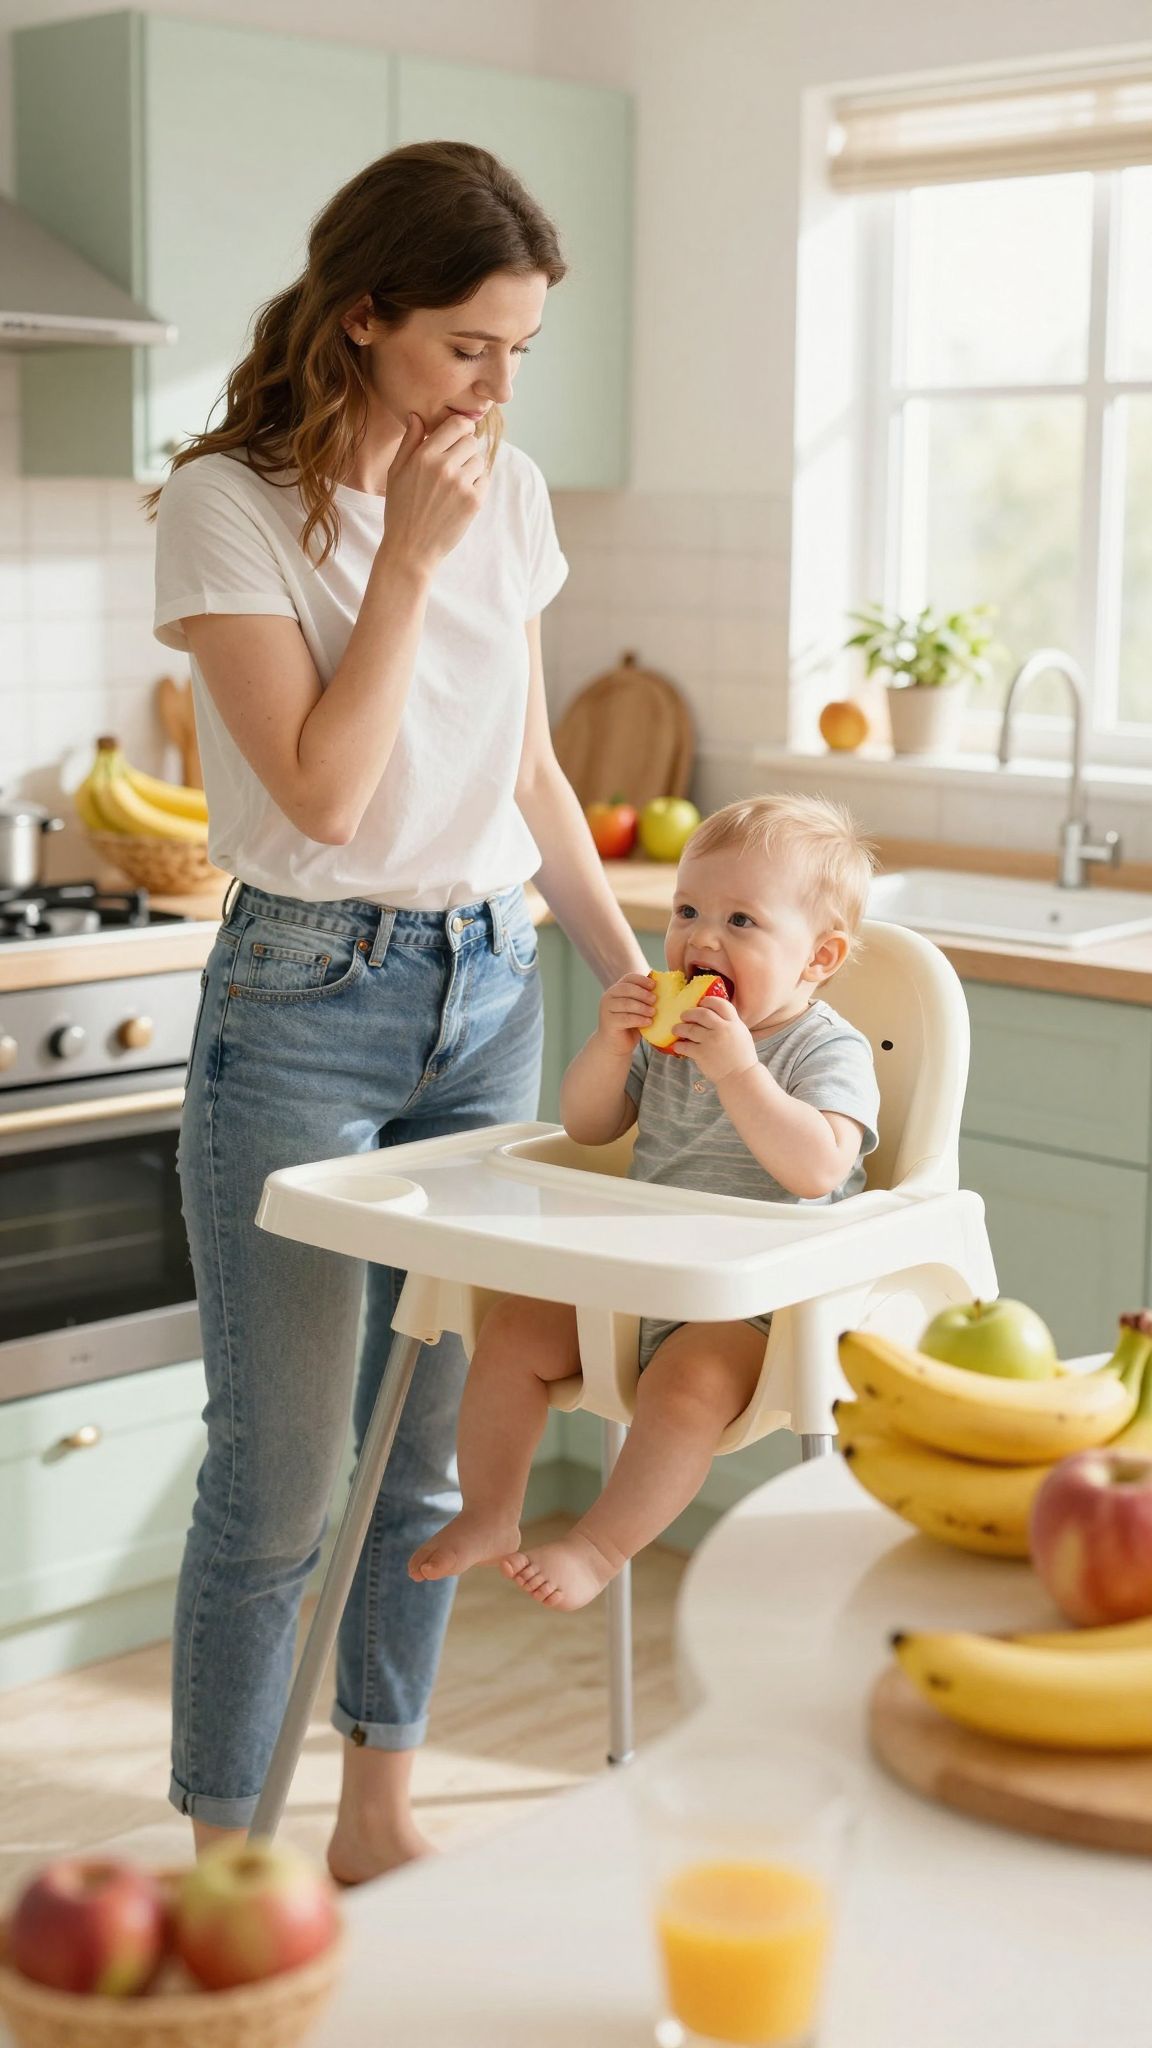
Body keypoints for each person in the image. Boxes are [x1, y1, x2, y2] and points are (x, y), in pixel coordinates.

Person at [149, 141, 647, 1883]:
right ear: (364, 320)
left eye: (519, 350)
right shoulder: (230, 500)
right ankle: (229, 1861)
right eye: (467, 348)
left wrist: (614, 948)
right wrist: (407, 562)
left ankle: (375, 1812)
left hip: (488, 985)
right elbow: (331, 795)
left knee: (427, 1459)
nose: (498, 389)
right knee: (281, 1478)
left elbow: (521, 765)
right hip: (301, 993)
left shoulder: (500, 485)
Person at [409, 794, 881, 1611]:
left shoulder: (824, 1046)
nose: (701, 938)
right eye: (689, 909)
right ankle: (490, 1512)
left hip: (754, 1305)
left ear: (818, 958)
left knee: (688, 1390)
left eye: (742, 922)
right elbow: (591, 1127)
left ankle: (598, 1546)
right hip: (637, 1278)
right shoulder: (672, 1033)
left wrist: (741, 1073)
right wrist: (610, 1043)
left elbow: (818, 1166)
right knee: (513, 1328)